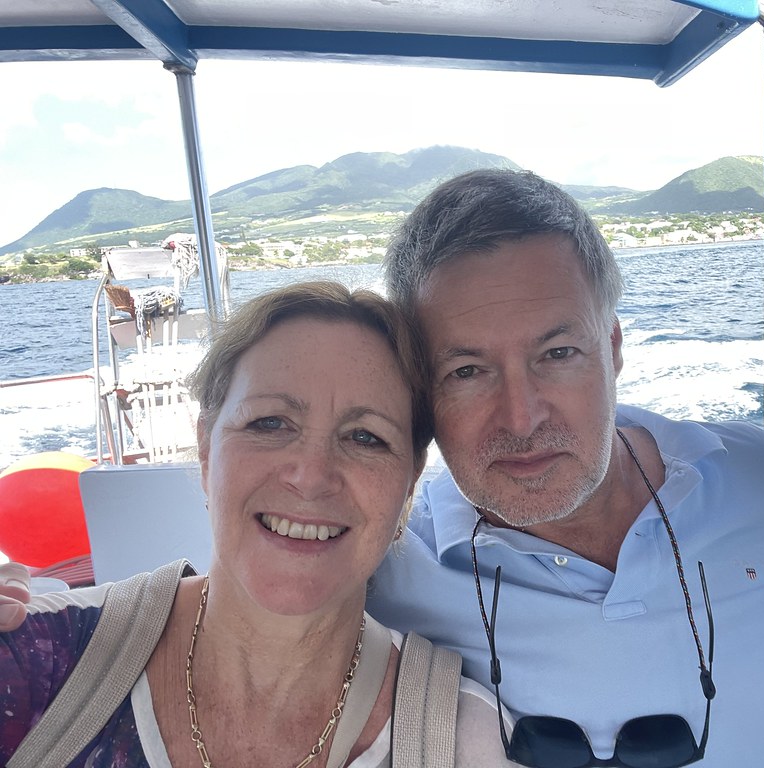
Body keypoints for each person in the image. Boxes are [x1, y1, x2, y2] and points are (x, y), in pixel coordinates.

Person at [364, 169, 764, 767]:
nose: (521, 419)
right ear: (421, 389)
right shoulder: (385, 565)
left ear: (614, 348)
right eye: (467, 371)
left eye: (558, 353)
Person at [0, 281, 515, 767]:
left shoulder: (465, 740)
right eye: (269, 423)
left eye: (365, 437)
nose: (311, 477)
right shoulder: (35, 655)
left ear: (408, 484)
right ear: (206, 449)